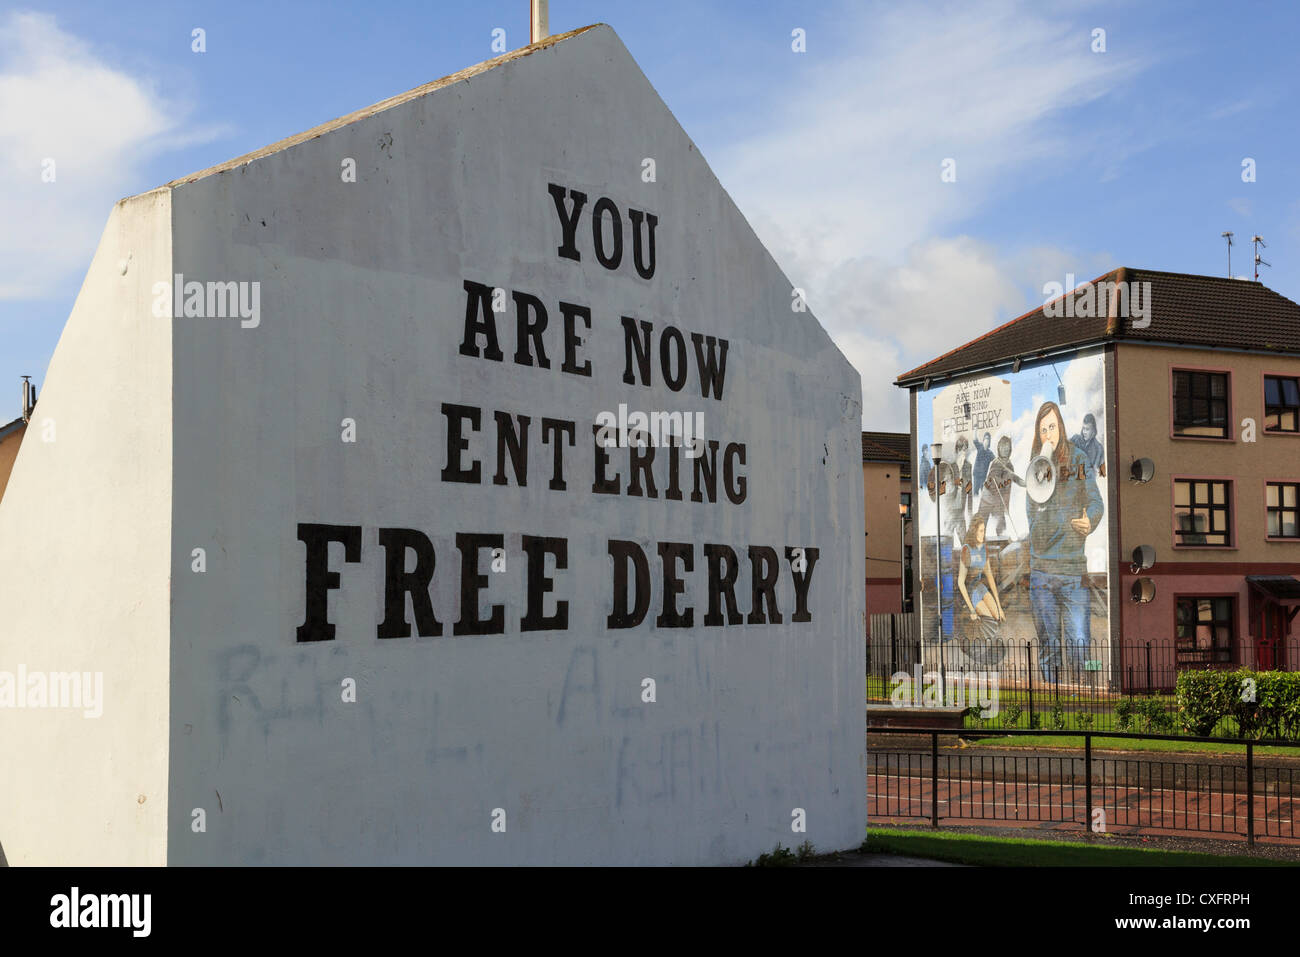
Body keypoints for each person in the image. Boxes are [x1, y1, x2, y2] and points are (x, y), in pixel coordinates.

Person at [1025, 402, 1103, 684]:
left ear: (1061, 427)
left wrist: (1090, 521)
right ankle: (1053, 702)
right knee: (1049, 646)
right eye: (1043, 429)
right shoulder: (1035, 468)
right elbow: (1034, 525)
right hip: (1042, 573)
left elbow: (1096, 502)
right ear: (1038, 433)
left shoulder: (1079, 458)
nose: (1048, 434)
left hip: (1072, 572)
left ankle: (1085, 697)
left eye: (1052, 427)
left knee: (1080, 642)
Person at [956, 514, 1004, 626]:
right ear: (974, 531)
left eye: (984, 531)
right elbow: (960, 582)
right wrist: (972, 610)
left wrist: (999, 606)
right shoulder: (966, 550)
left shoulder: (984, 549)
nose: (983, 534)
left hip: (979, 587)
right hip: (969, 590)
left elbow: (990, 576)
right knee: (989, 621)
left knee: (997, 616)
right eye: (981, 531)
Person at [977, 435, 1023, 537]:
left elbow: (1010, 484)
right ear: (999, 448)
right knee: (981, 524)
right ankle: (978, 547)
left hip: (999, 501)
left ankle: (1002, 546)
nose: (1004, 449)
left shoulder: (1010, 465)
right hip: (987, 498)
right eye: (1002, 447)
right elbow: (993, 479)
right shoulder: (996, 462)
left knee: (1001, 526)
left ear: (1010, 449)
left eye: (1007, 447)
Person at [1071, 413, 1105, 477]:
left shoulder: (1099, 449)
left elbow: (1099, 473)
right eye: (1083, 428)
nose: (1084, 432)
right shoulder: (1075, 439)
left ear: (1093, 430)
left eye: (1087, 429)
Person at [972, 432, 994, 501]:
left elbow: (996, 461)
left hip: (983, 477)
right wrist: (975, 430)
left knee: (983, 493)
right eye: (985, 438)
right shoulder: (980, 447)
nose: (986, 440)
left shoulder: (990, 453)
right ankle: (975, 506)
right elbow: (975, 440)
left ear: (989, 441)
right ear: (983, 439)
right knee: (975, 492)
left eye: (988, 439)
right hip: (976, 475)